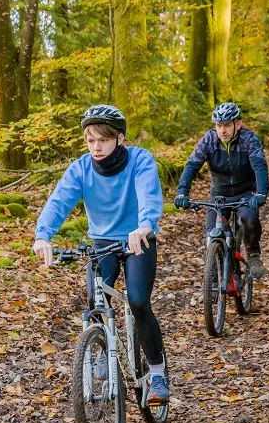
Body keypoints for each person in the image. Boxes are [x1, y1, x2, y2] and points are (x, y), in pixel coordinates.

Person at [32, 105, 170, 404]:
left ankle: (157, 373)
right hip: (103, 242)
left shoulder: (140, 160)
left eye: (103, 140)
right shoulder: (81, 168)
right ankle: (102, 352)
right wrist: (43, 235)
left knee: (138, 302)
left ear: (119, 139)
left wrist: (145, 225)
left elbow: (148, 193)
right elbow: (59, 201)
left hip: (138, 239)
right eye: (90, 140)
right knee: (96, 300)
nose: (96, 147)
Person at [173, 102, 269, 279]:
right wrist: (182, 192)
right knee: (212, 233)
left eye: (226, 125)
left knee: (249, 218)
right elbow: (192, 165)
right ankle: (213, 273)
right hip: (219, 194)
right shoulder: (209, 140)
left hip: (245, 192)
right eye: (218, 125)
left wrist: (261, 193)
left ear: (238, 124)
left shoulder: (249, 139)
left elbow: (259, 166)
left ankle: (254, 255)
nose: (222, 130)